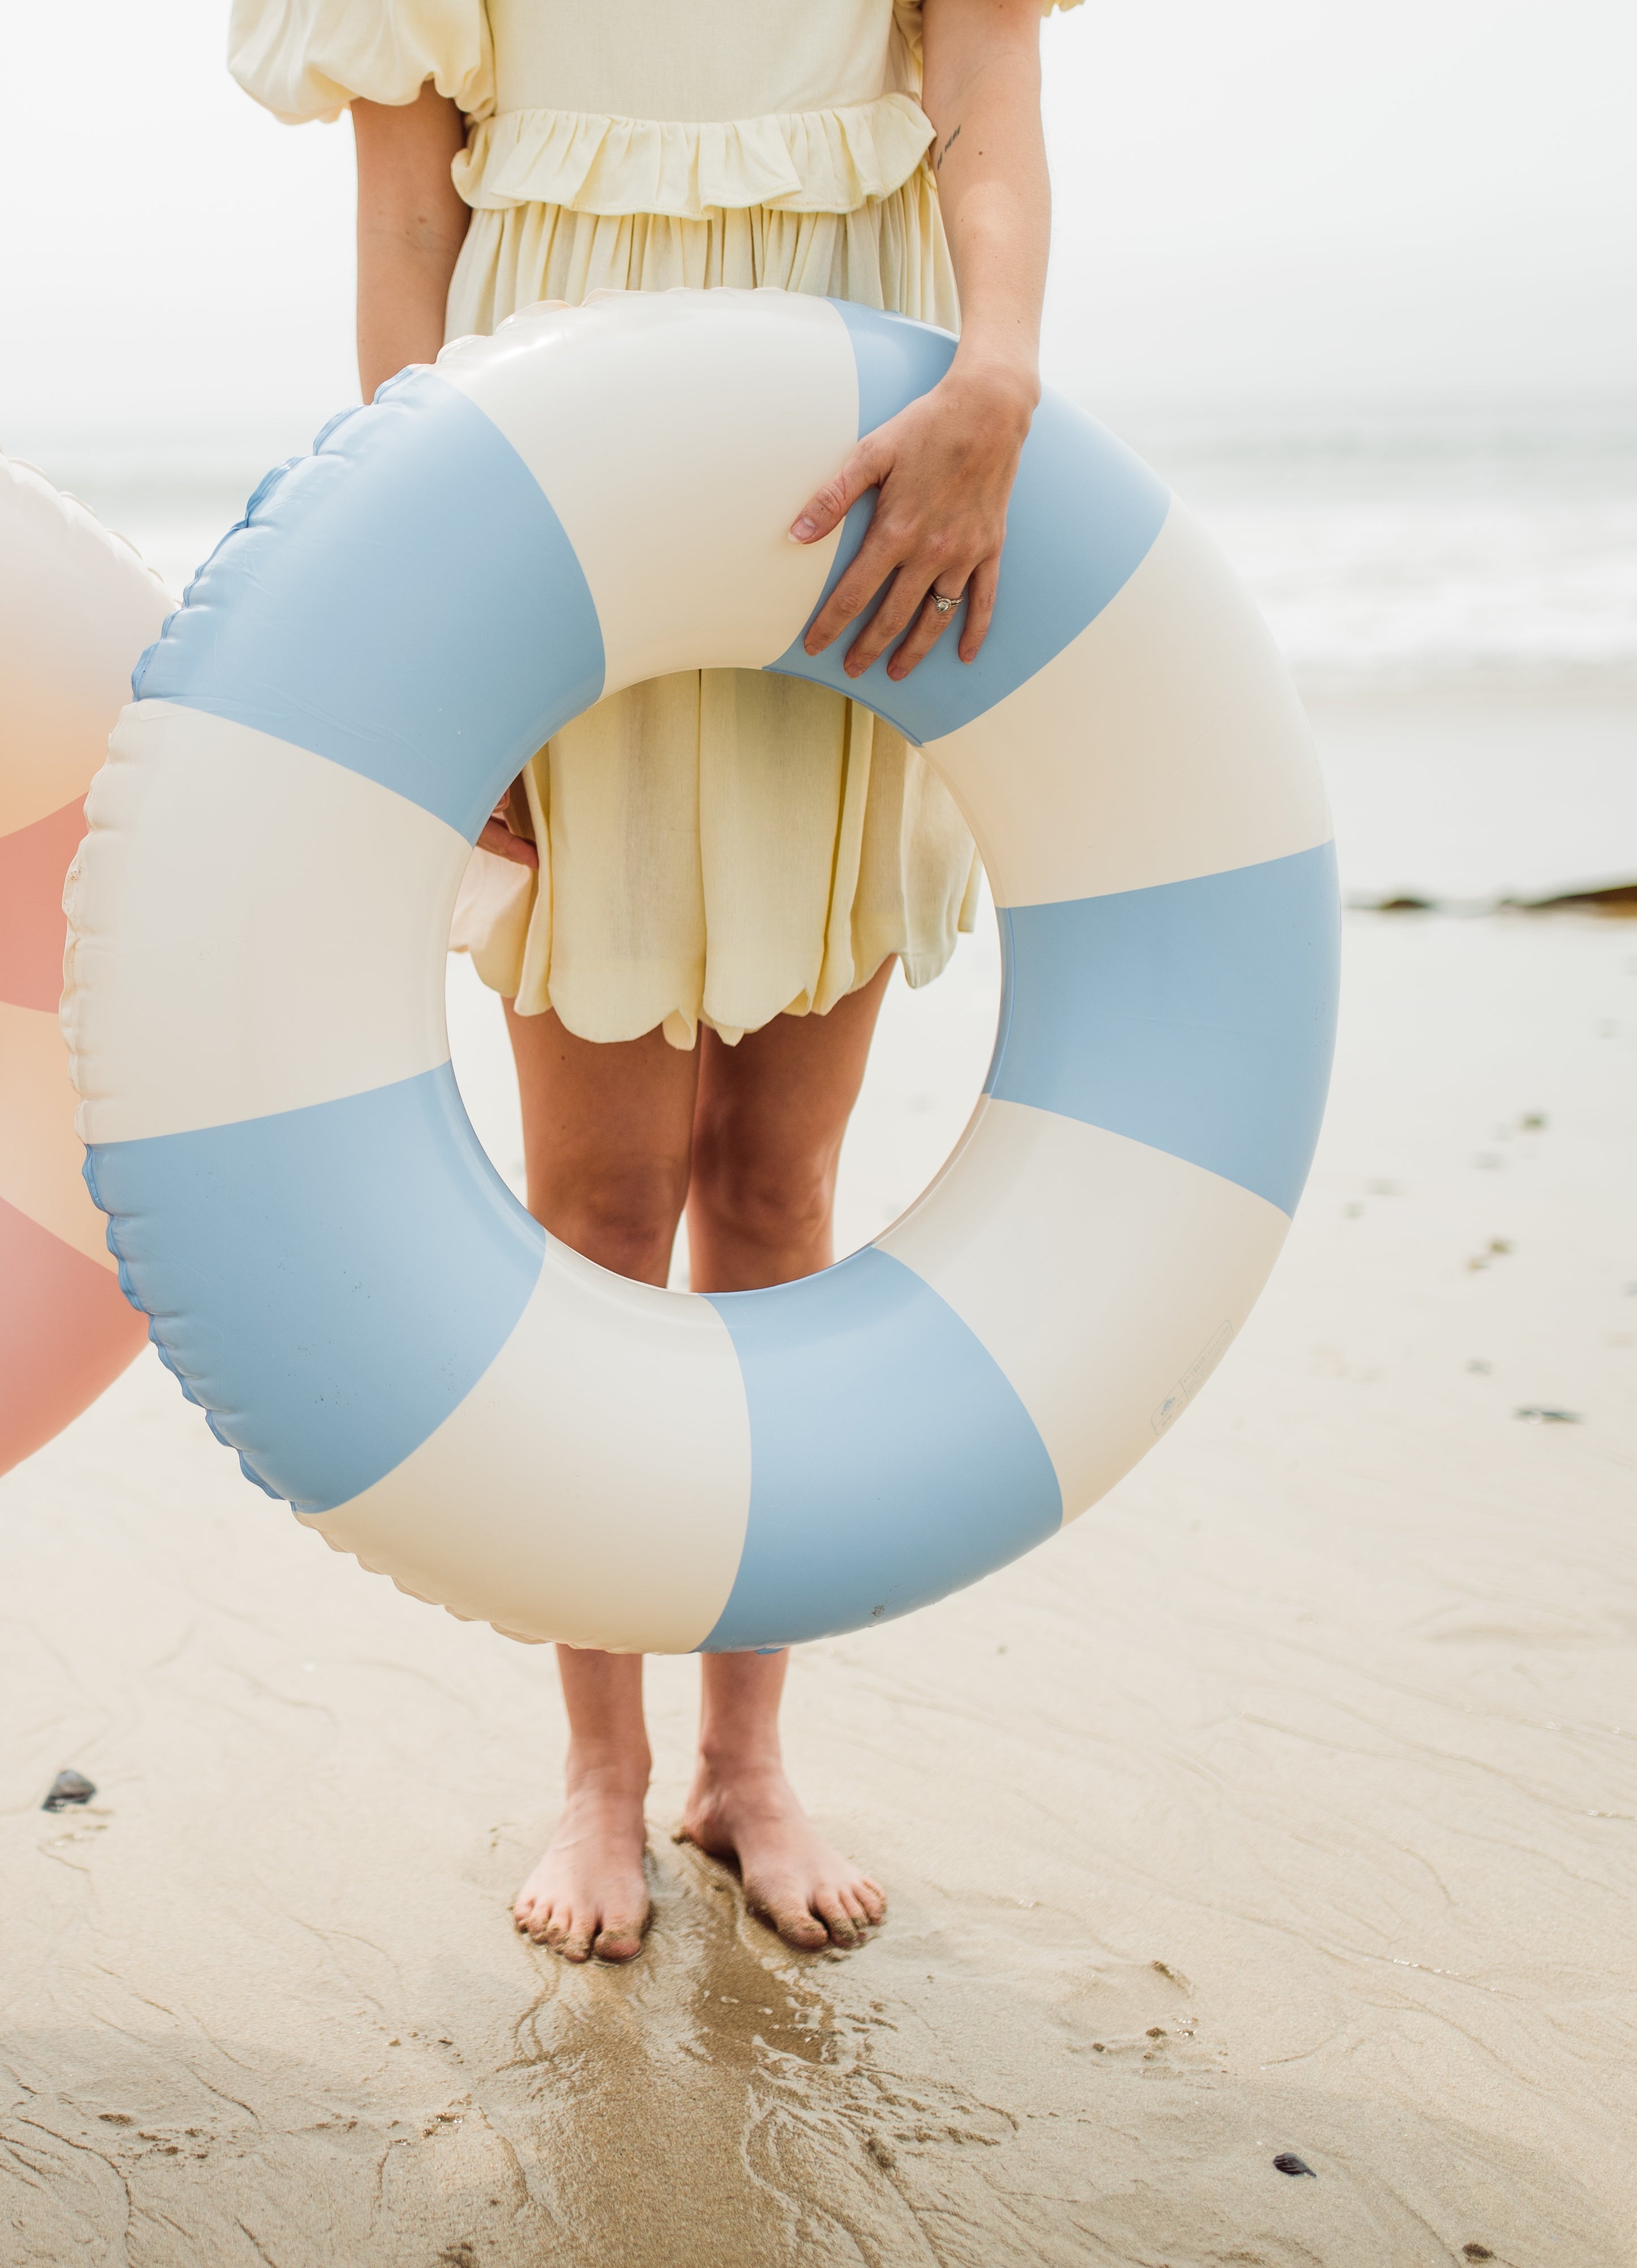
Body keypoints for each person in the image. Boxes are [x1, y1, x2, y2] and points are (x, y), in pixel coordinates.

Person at [229, 0, 1066, 1961]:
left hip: (857, 486)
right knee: (598, 1204)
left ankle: (747, 1762)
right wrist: (438, 593)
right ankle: (600, 1772)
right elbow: (401, 225)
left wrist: (1004, 379)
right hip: (551, 483)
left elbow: (989, 115)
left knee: (776, 1190)